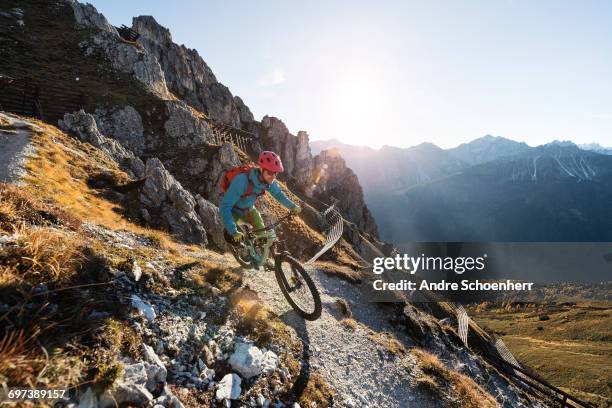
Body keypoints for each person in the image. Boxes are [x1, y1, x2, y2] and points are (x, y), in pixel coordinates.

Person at [220, 151, 302, 243]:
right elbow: (225, 206)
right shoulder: (242, 181)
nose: (273, 176)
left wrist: (293, 206)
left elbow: (278, 194)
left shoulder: (269, 181)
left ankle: (262, 254)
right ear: (261, 169)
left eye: (275, 173)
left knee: (263, 237)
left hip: (249, 210)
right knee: (235, 239)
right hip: (233, 212)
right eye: (270, 172)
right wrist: (233, 231)